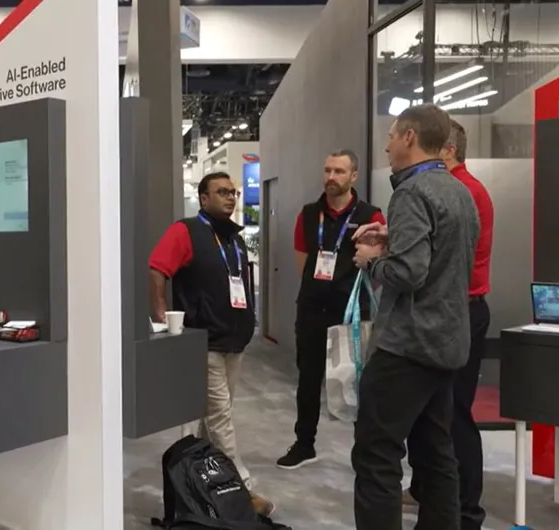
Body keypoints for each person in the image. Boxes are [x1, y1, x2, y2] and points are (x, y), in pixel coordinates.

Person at [350, 104, 479, 530]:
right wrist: (396, 237)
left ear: (409, 137)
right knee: (435, 454)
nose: (386, 146)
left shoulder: (410, 193)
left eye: (391, 136)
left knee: (376, 454)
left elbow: (408, 273)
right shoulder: (460, 192)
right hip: (446, 343)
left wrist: (372, 261)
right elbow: (445, 254)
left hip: (406, 347)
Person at [149, 171, 274, 517]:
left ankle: (206, 484)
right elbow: (158, 267)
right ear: (203, 198)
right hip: (203, 340)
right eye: (222, 192)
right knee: (220, 417)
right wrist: (161, 314)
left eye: (233, 192)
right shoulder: (186, 231)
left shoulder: (234, 238)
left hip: (234, 340)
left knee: (212, 421)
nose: (230, 197)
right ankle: (244, 490)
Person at [403, 119, 494, 529]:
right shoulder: (454, 190)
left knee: (454, 414)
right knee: (434, 412)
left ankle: (467, 510)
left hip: (459, 311)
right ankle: (428, 492)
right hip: (449, 311)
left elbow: (436, 260)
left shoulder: (461, 191)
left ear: (448, 150)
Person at [277, 149, 385, 470]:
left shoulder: (371, 216)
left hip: (352, 311)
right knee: (308, 380)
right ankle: (304, 443)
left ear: (354, 176)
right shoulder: (309, 214)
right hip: (312, 309)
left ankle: (364, 450)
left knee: (357, 380)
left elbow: (377, 268)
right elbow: (303, 263)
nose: (331, 177)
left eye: (339, 171)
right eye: (327, 170)